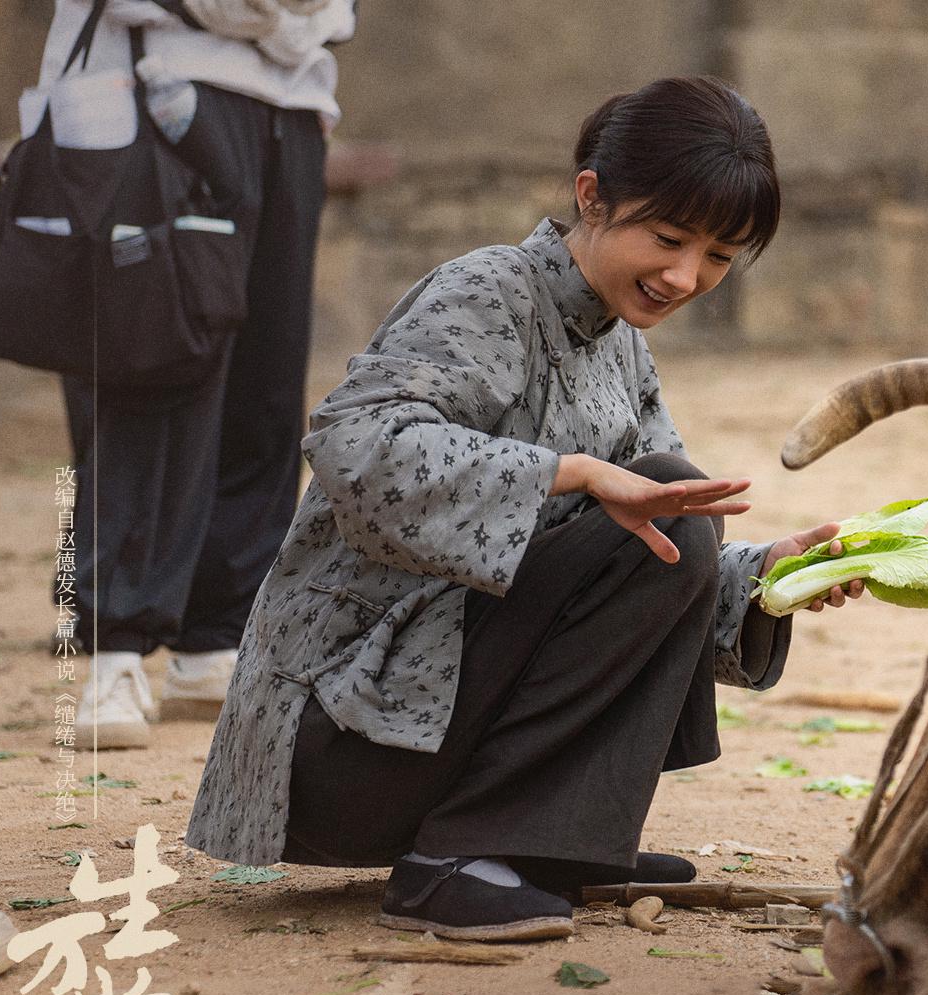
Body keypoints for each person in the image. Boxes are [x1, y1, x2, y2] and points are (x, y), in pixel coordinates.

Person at [186, 76, 866, 941]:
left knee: (683, 515)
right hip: (341, 735)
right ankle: (456, 863)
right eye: (667, 237)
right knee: (670, 500)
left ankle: (551, 844)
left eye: (719, 257)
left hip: (426, 735)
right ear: (592, 195)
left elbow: (642, 541)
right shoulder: (489, 291)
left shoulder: (620, 343)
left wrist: (771, 579)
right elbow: (354, 446)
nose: (685, 275)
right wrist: (569, 473)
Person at [37, 0, 357, 746]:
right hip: (160, 90)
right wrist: (277, 17)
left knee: (267, 383)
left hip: (293, 105)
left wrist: (276, 20)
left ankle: (215, 638)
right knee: (156, 366)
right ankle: (114, 652)